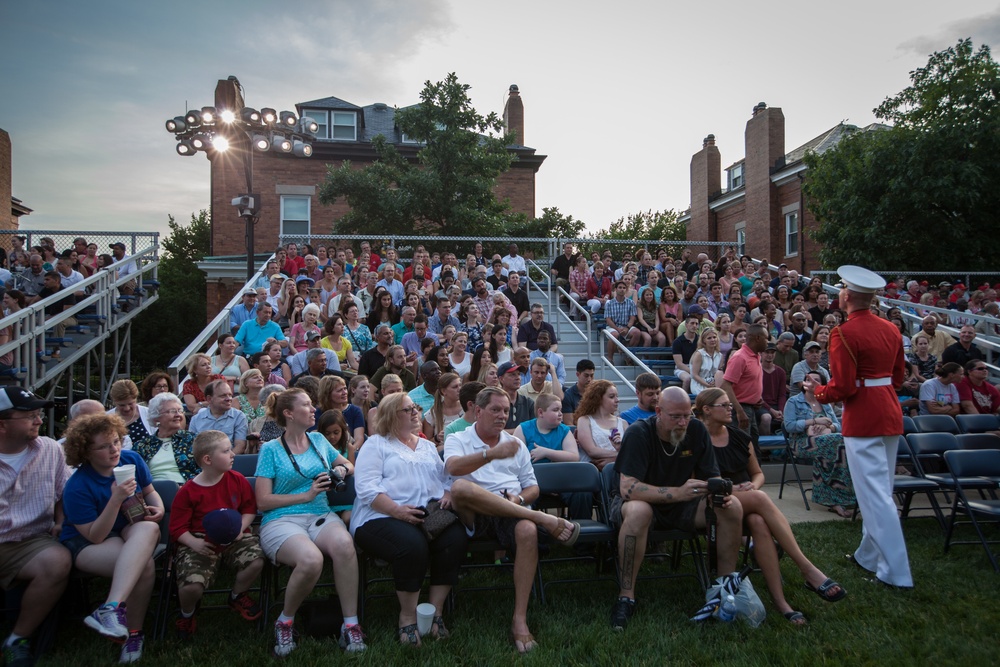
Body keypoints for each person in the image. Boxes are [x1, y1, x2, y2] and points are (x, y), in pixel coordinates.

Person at [444, 387, 581, 654]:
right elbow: (453, 468)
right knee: (461, 488)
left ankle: (519, 618)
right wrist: (491, 454)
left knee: (528, 530)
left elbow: (532, 488)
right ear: (478, 411)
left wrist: (517, 501)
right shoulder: (457, 437)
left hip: (511, 507)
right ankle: (540, 517)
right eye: (495, 410)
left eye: (506, 411)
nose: (502, 416)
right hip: (473, 512)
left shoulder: (516, 445)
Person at [695, 389, 846, 623]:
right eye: (724, 405)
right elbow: (692, 480)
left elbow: (757, 474)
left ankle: (781, 602)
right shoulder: (695, 438)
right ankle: (806, 568)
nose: (731, 408)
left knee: (758, 521)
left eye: (729, 405)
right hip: (713, 502)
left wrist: (752, 487)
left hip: (744, 499)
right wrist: (735, 490)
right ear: (706, 409)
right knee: (761, 499)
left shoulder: (738, 436)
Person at [804, 265, 912, 589]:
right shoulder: (891, 329)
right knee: (880, 491)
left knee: (874, 496)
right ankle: (868, 555)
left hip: (864, 417)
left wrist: (817, 392)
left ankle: (896, 572)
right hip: (889, 412)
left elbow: (844, 388)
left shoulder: (843, 333)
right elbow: (898, 378)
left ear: (847, 295)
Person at [609, 387, 742, 631]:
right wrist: (678, 492)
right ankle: (626, 595)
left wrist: (718, 492)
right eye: (675, 417)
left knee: (731, 508)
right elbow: (628, 488)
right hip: (637, 504)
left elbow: (711, 476)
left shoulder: (696, 430)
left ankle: (724, 591)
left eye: (687, 415)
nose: (683, 422)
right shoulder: (639, 432)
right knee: (640, 511)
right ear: (658, 411)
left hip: (683, 506)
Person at [253, 388, 364, 656]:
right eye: (306, 405)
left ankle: (350, 625)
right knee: (311, 560)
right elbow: (263, 502)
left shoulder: (318, 440)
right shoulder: (270, 450)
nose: (313, 408)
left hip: (319, 515)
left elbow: (351, 466)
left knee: (344, 546)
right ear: (289, 413)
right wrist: (307, 494)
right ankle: (285, 621)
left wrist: (340, 468)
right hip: (281, 520)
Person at [351, 392, 466, 646]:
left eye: (415, 407)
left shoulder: (425, 445)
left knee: (455, 538)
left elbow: (445, 478)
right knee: (412, 546)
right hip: (379, 515)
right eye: (408, 409)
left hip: (427, 515)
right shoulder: (377, 444)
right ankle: (407, 617)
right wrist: (396, 511)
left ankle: (435, 612)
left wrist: (447, 492)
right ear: (392, 416)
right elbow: (367, 489)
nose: (416, 412)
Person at [60, 414, 164, 663]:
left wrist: (158, 508)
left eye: (116, 441)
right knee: (145, 564)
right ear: (85, 451)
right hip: (86, 542)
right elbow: (95, 536)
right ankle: (131, 632)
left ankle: (111, 609)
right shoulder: (77, 486)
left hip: (129, 529)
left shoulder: (131, 459)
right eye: (104, 446)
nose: (114, 449)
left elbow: (150, 492)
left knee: (149, 530)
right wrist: (116, 499)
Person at [168, 431, 264, 640]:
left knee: (256, 561)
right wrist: (193, 542)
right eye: (226, 451)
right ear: (208, 460)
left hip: (235, 535)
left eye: (231, 449)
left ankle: (237, 595)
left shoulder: (237, 479)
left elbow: (249, 509)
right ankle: (187, 613)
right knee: (191, 586)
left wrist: (241, 527)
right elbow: (176, 528)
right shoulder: (188, 491)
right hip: (200, 539)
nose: (232, 455)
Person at [0, 388, 72, 667]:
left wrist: (61, 521)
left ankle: (17, 638)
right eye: (30, 415)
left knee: (57, 562)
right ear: (3, 424)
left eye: (38, 414)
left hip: (32, 540)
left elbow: (65, 492)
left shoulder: (50, 449)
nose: (39, 421)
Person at [784, 372, 857, 517]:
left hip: (829, 440)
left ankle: (835, 498)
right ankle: (839, 497)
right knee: (840, 444)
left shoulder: (824, 402)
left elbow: (838, 425)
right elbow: (789, 426)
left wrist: (829, 427)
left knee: (839, 445)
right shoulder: (794, 401)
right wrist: (815, 422)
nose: (811, 381)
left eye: (816, 380)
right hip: (802, 443)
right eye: (807, 379)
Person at [720, 324, 768, 452]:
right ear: (757, 338)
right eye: (766, 338)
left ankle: (755, 472)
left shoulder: (756, 355)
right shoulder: (740, 357)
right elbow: (726, 385)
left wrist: (757, 398)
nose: (767, 342)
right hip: (740, 409)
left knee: (753, 447)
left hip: (751, 407)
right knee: (742, 448)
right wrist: (740, 411)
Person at [132, 392, 199, 483]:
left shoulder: (193, 440)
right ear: (156, 418)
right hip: (153, 491)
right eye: (172, 411)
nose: (178, 415)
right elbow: (135, 476)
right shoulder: (142, 445)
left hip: (187, 490)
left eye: (180, 410)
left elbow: (205, 470)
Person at [512, 393, 580, 465]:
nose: (560, 413)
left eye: (560, 410)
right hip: (531, 474)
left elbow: (574, 457)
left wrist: (546, 453)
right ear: (540, 412)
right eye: (555, 410)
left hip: (559, 474)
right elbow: (515, 459)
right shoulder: (523, 429)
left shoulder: (564, 431)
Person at [574, 380, 627, 470]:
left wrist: (615, 459)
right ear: (598, 399)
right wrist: (621, 455)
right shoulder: (584, 421)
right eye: (611, 397)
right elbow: (592, 451)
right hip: (592, 471)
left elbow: (631, 451)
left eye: (617, 396)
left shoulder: (623, 423)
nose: (617, 400)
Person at [188, 380, 249, 454]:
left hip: (229, 462)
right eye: (223, 396)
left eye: (230, 395)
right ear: (209, 399)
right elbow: (192, 446)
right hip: (203, 462)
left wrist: (225, 460)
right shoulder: (196, 419)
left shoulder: (239, 416)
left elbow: (240, 446)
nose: (228, 399)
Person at [317, 375, 366, 447]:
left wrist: (351, 452)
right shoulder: (318, 412)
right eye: (339, 390)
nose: (344, 392)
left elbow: (359, 438)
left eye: (345, 389)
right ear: (327, 394)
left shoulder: (355, 410)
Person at [107, 379, 154, 449]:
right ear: (114, 402)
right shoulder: (107, 418)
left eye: (130, 403)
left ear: (136, 399)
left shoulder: (148, 414)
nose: (127, 408)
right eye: (121, 405)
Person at [605, 281, 645, 361]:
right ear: (616, 289)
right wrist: (617, 329)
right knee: (614, 335)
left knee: (637, 332)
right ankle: (610, 358)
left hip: (626, 326)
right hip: (613, 327)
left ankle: (628, 356)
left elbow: (632, 318)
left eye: (624, 288)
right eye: (620, 287)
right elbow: (608, 320)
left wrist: (627, 328)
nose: (622, 290)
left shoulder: (631, 303)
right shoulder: (609, 303)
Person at [423, 372, 464, 452]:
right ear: (444, 391)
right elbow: (426, 445)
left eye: (460, 385)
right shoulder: (432, 414)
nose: (459, 389)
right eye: (455, 387)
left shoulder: (467, 408)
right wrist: (437, 438)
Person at [561, 359, 595, 426]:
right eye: (586, 375)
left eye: (592, 376)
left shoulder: (596, 394)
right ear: (577, 374)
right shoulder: (568, 395)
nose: (589, 379)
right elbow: (569, 424)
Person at [690, 329, 723, 396]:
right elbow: (694, 375)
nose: (712, 340)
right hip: (699, 383)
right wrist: (707, 384)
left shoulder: (720, 355)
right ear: (704, 340)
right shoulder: (699, 354)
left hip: (714, 383)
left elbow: (718, 373)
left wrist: (714, 383)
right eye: (709, 338)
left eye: (714, 337)